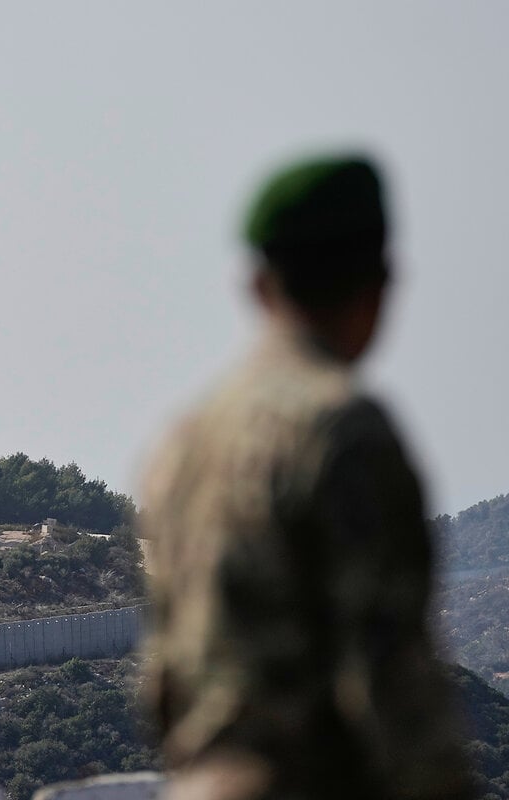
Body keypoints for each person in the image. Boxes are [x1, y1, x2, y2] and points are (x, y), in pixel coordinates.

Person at [140, 155, 473, 800]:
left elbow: (165, 682)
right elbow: (391, 679)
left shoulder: (184, 442)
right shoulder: (343, 431)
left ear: (260, 286)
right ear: (379, 285)